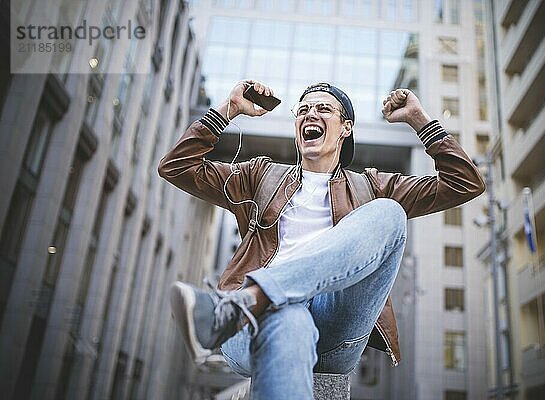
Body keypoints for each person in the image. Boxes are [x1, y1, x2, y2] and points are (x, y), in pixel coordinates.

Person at [158, 80, 485, 399]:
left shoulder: (371, 187)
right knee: (290, 317)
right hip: (252, 331)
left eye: (324, 109)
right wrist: (228, 110)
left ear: (346, 128)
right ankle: (252, 305)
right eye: (303, 110)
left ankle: (247, 301)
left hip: (337, 328)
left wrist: (421, 121)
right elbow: (177, 167)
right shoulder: (259, 176)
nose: (310, 114)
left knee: (389, 212)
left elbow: (465, 183)